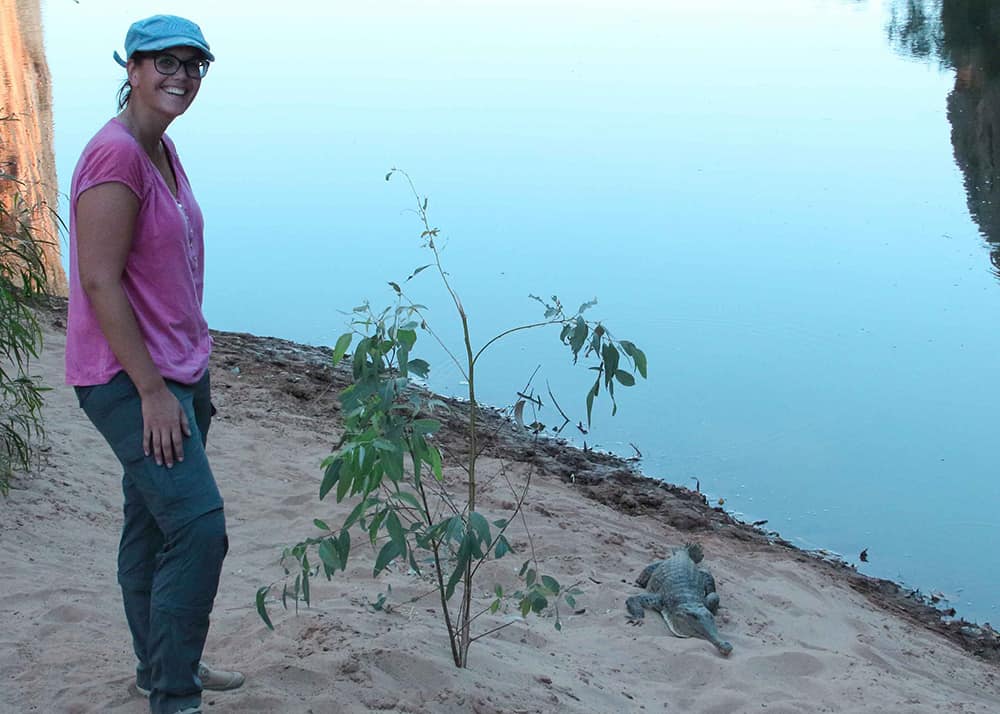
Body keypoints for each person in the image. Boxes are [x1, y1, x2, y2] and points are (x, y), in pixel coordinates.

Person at [65, 15, 244, 714]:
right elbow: (102, 282)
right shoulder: (115, 157)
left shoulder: (159, 149)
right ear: (132, 69)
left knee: (152, 523)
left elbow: (167, 271)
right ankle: (176, 694)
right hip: (129, 379)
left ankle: (162, 666)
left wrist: (194, 371)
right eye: (164, 62)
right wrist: (152, 391)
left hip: (176, 370)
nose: (181, 76)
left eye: (194, 65)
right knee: (198, 528)